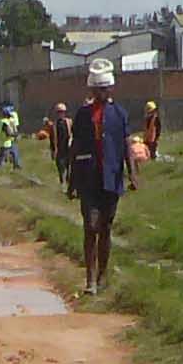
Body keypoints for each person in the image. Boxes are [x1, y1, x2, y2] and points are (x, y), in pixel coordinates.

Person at [77, 70, 133, 291]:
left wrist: (132, 174)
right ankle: (89, 279)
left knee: (106, 228)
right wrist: (72, 181)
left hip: (111, 177)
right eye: (96, 88)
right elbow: (76, 146)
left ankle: (102, 275)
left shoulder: (119, 114)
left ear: (110, 89)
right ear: (91, 90)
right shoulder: (83, 114)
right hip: (88, 178)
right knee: (91, 226)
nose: (100, 92)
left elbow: (126, 145)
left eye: (104, 88)